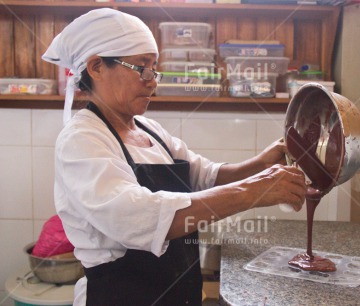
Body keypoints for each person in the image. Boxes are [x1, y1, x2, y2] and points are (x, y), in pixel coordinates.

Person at [42, 8, 307, 306]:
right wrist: (254, 191)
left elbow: (202, 176)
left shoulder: (150, 130)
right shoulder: (82, 140)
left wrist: (262, 163)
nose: (152, 80)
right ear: (96, 67)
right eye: (141, 67)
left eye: (154, 68)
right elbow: (139, 218)